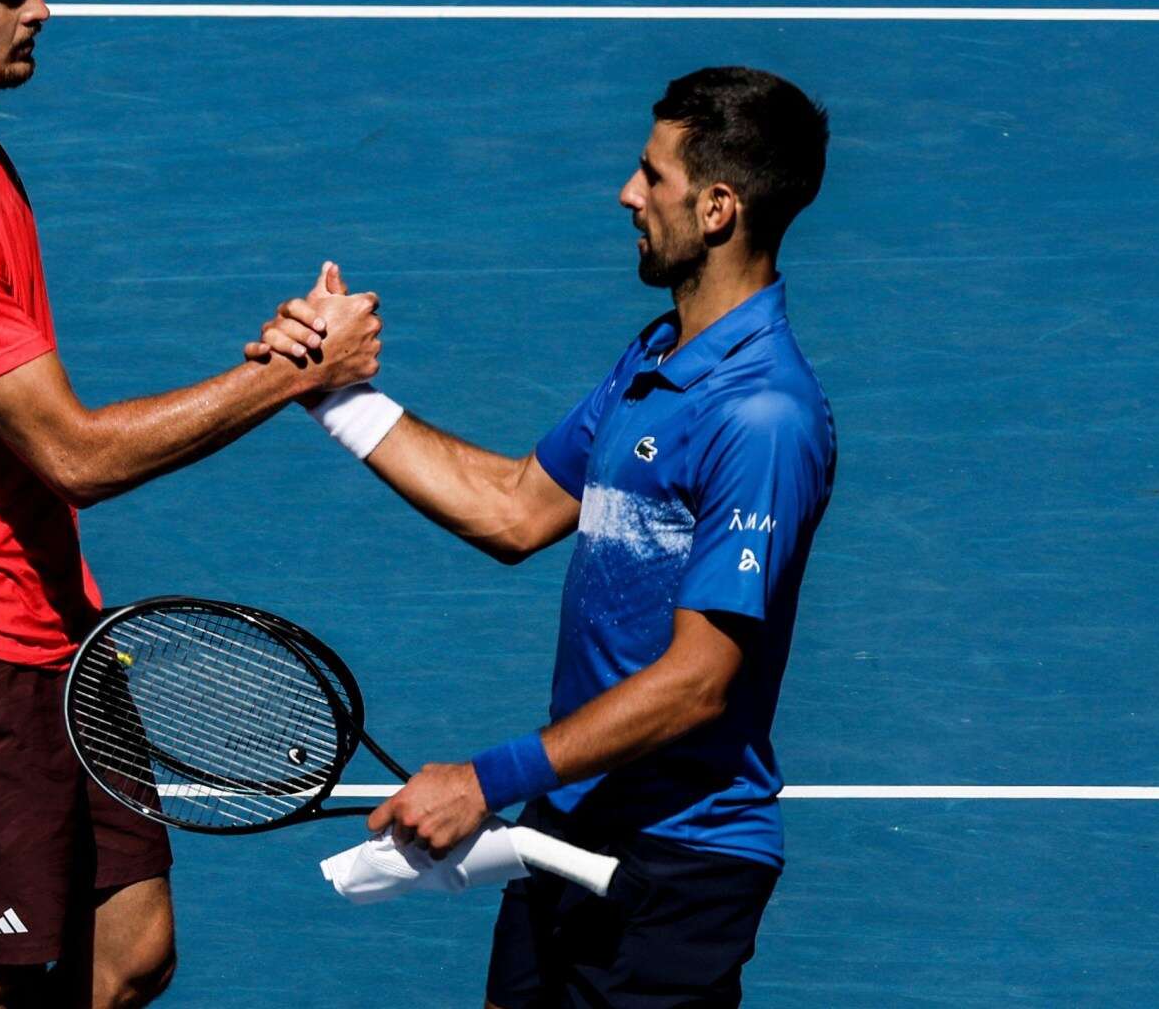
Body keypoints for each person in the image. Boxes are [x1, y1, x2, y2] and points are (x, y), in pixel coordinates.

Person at [0, 0, 379, 1006]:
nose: (43, 11)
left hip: (50, 622)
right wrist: (295, 371)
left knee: (129, 955)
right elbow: (72, 453)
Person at [269, 67, 834, 1006]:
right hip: (575, 824)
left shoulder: (763, 417)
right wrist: (330, 393)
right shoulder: (657, 358)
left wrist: (485, 781)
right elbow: (517, 506)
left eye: (653, 177)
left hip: (678, 869)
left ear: (719, 207)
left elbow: (699, 682)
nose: (628, 194)